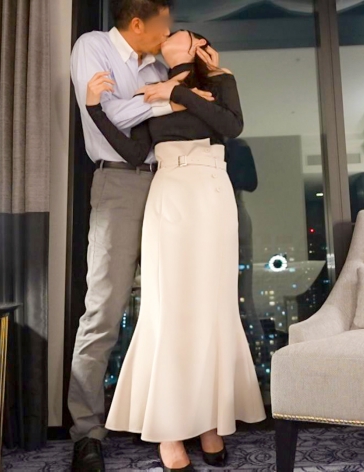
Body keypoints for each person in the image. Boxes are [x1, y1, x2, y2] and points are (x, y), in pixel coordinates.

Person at [85, 30, 267, 471]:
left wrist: (177, 93)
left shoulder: (220, 80)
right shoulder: (148, 90)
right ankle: (170, 430)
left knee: (212, 308)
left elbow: (231, 126)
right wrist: (95, 109)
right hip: (168, 195)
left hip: (212, 194)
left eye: (179, 32)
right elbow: (134, 152)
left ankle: (210, 423)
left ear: (198, 47)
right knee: (168, 309)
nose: (167, 32)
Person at [67, 1, 213, 470]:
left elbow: (186, 114)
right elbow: (107, 115)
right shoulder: (92, 47)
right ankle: (87, 433)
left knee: (173, 310)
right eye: (163, 25)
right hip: (118, 184)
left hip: (168, 182)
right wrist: (168, 98)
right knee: (104, 310)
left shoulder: (157, 66)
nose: (167, 33)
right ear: (137, 23)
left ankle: (176, 421)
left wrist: (175, 92)